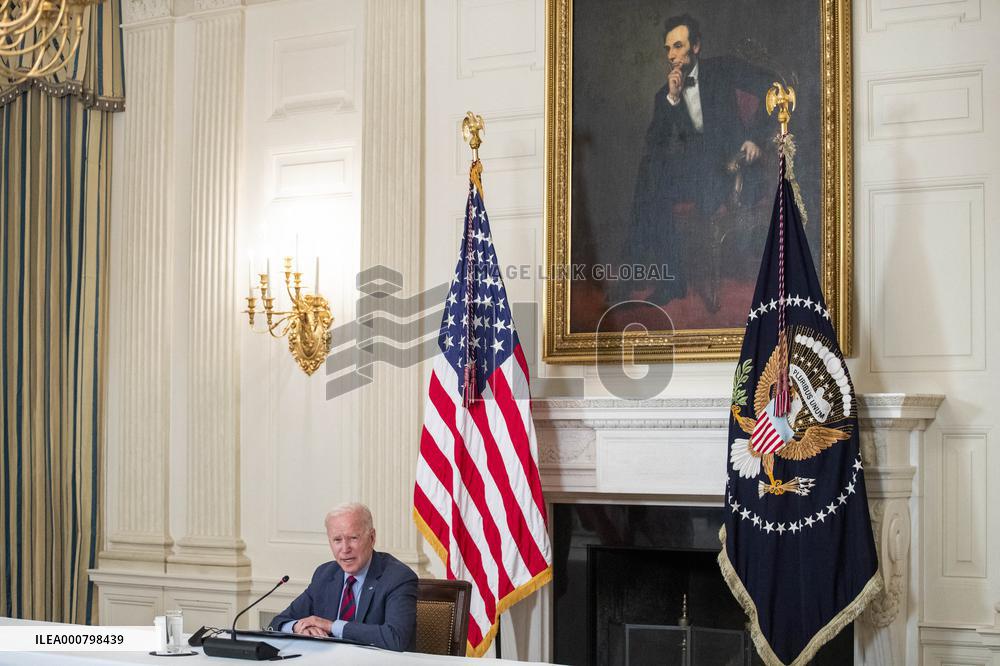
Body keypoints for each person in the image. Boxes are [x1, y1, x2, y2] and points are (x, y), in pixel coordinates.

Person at [628, 13, 774, 311]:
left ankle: (638, 268)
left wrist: (755, 138)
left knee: (654, 178)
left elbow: (773, 88)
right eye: (668, 49)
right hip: (695, 176)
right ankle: (672, 281)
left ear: (696, 46)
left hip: (731, 170)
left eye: (678, 46)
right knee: (649, 173)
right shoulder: (665, 94)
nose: (672, 56)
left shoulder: (724, 69)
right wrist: (672, 99)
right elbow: (654, 145)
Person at [270, 503, 417, 652]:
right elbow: (278, 622)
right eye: (337, 540)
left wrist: (331, 626)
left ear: (372, 538)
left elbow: (396, 638)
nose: (345, 549)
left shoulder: (398, 577)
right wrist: (298, 627)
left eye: (353, 538)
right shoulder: (325, 574)